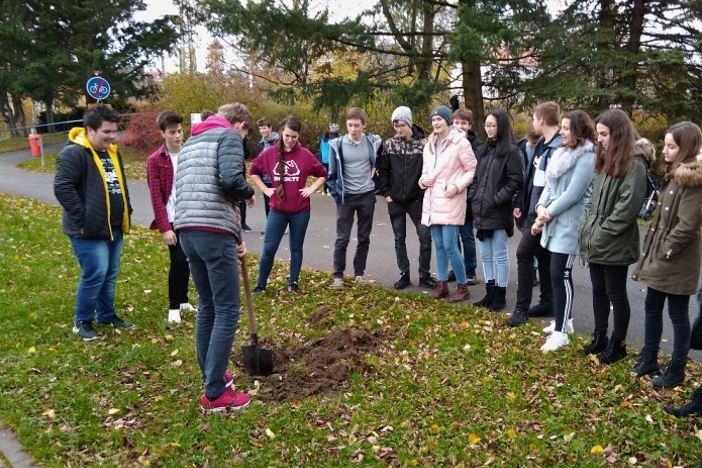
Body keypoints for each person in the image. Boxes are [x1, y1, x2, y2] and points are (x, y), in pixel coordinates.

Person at [174, 103, 255, 412]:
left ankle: (212, 374)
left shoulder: (192, 141)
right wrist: (248, 192)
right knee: (226, 310)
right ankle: (215, 393)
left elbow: (198, 188)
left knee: (207, 306)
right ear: (238, 123)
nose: (242, 138)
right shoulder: (227, 136)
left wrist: (233, 233)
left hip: (188, 233)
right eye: (245, 132)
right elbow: (231, 180)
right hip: (212, 231)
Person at [631, 121, 702, 389]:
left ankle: (677, 369)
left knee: (678, 314)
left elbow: (687, 225)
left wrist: (666, 250)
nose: (665, 152)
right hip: (663, 256)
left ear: (686, 148)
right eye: (665, 146)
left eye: (671, 147)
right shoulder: (674, 176)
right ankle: (649, 358)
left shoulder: (693, 181)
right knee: (652, 305)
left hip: (677, 259)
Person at [54, 106, 134, 341]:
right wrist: (85, 218)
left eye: (114, 132)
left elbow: (119, 185)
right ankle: (82, 321)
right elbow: (62, 188)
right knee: (95, 273)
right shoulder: (74, 154)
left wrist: (125, 209)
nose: (111, 137)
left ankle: (106, 315)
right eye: (106, 132)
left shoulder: (111, 152)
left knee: (109, 273)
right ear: (90, 129)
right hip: (88, 230)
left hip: (114, 227)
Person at [577, 109, 648, 363]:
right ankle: (600, 337)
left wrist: (599, 235)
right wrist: (586, 227)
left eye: (605, 134)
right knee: (598, 291)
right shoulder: (607, 159)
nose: (600, 139)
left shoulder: (635, 164)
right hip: (598, 238)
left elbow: (626, 211)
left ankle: (618, 344)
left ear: (619, 133)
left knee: (615, 293)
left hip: (614, 242)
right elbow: (592, 202)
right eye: (599, 134)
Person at [534, 110, 597, 352]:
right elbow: (550, 185)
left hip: (570, 223)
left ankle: (561, 332)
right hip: (554, 220)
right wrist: (541, 206)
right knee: (557, 274)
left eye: (567, 128)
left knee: (560, 273)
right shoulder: (562, 152)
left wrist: (547, 213)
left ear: (579, 131)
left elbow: (574, 193)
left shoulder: (587, 156)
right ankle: (564, 322)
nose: (562, 131)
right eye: (562, 127)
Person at [249, 116, 328, 294]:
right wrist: (265, 189)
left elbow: (323, 173)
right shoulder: (269, 154)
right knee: (269, 247)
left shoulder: (305, 155)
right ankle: (261, 284)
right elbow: (253, 171)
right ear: (281, 133)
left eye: (294, 137)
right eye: (287, 136)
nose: (290, 140)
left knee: (296, 247)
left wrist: (312, 188)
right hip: (277, 210)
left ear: (298, 136)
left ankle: (293, 282)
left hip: (300, 210)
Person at [507, 102, 562, 326]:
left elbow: (553, 187)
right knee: (542, 255)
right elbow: (531, 179)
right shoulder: (542, 144)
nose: (531, 122)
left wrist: (540, 214)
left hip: (543, 215)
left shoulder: (557, 148)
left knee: (523, 254)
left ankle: (521, 307)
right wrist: (521, 201)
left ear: (541, 120)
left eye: (532, 118)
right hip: (532, 210)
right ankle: (548, 301)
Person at [420, 105, 477, 302]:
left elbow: (471, 170)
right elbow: (426, 170)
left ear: (447, 122)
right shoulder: (429, 144)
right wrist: (423, 180)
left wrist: (456, 187)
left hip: (451, 198)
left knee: (450, 245)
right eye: (433, 120)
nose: (435, 123)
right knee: (439, 245)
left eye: (439, 119)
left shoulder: (460, 143)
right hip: (433, 200)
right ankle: (442, 284)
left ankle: (463, 287)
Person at [377, 106, 437, 290]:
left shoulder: (424, 144)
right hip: (395, 200)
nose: (398, 129)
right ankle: (404, 274)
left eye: (402, 125)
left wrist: (422, 194)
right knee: (399, 239)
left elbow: (430, 169)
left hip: (417, 200)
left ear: (409, 123)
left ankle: (424, 275)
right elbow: (383, 171)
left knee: (425, 237)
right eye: (396, 126)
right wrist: (386, 193)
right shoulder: (390, 145)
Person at [470, 109, 524, 312]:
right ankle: (490, 292)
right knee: (485, 254)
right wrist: (474, 197)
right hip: (481, 211)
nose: (489, 129)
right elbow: (476, 179)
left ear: (501, 126)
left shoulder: (511, 151)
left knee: (499, 254)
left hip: (499, 212)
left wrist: (496, 199)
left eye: (492, 125)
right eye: (486, 125)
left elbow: (515, 181)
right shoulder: (484, 151)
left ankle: (500, 294)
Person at [146, 110, 196, 324]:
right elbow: (156, 197)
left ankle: (184, 299)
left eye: (180, 131)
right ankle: (174, 306)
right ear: (163, 134)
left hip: (191, 215)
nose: (177, 136)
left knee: (188, 260)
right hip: (172, 217)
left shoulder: (190, 152)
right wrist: (165, 227)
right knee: (177, 261)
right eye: (172, 132)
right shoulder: (156, 160)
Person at [327, 107, 383, 288]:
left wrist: (377, 171)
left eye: (357, 125)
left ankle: (359, 274)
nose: (353, 129)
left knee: (364, 237)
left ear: (364, 125)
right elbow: (331, 175)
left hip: (366, 195)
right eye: (350, 125)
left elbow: (383, 157)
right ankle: (338, 276)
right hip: (346, 197)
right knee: (342, 238)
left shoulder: (372, 142)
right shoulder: (338, 145)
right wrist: (338, 195)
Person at [448, 108, 482, 286]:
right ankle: (457, 267)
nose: (460, 126)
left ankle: (470, 269)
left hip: (468, 198)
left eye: (463, 123)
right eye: (457, 122)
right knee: (452, 237)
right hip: (451, 197)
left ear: (469, 125)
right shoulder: (447, 142)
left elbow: (476, 173)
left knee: (467, 235)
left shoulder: (477, 146)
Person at [256, 117, 280, 231]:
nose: (262, 131)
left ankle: (280, 225)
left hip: (277, 177)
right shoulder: (260, 145)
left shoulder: (279, 142)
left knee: (278, 202)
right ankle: (270, 226)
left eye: (264, 128)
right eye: (260, 128)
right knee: (267, 203)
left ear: (270, 128)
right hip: (265, 178)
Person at [319, 123, 339, 195]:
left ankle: (324, 190)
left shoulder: (323, 139)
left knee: (326, 174)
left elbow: (320, 148)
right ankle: (329, 190)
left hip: (324, 159)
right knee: (331, 175)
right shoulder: (334, 140)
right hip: (331, 159)